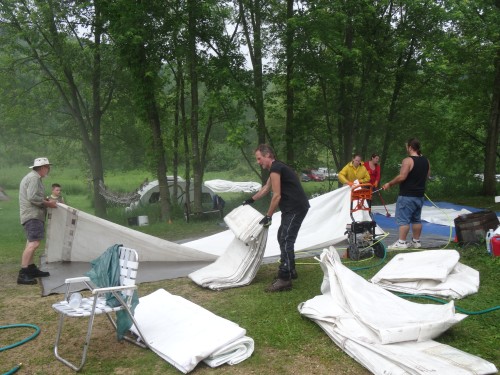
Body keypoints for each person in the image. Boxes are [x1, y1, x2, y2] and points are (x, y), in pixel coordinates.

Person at [243, 144, 310, 292]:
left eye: (259, 158)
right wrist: (251, 200)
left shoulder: (276, 168)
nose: (258, 162)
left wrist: (268, 216)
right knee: (282, 237)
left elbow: (277, 195)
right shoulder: (276, 168)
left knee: (286, 239)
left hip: (295, 208)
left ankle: (285, 278)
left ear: (267, 156)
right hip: (292, 208)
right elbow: (266, 189)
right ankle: (290, 270)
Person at [382, 138, 430, 249]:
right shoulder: (426, 160)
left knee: (403, 219)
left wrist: (389, 183)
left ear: (410, 147)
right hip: (420, 195)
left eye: (407, 147)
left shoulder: (407, 160)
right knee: (416, 219)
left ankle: (401, 243)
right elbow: (427, 175)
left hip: (407, 196)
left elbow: (402, 176)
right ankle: (416, 242)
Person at [18, 157, 58, 285]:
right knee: (34, 243)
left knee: (31, 242)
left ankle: (30, 268)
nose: (48, 169)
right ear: (42, 168)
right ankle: (23, 273)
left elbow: (35, 195)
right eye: (47, 167)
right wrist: (48, 203)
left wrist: (45, 199)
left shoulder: (34, 178)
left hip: (32, 214)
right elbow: (32, 197)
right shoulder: (34, 178)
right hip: (32, 215)